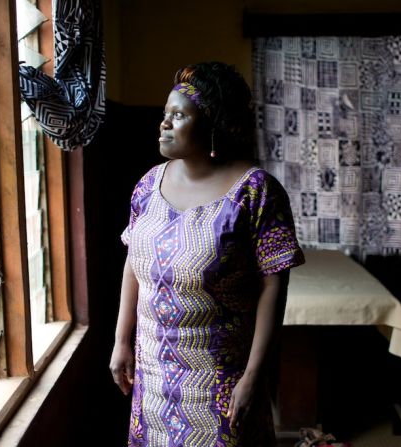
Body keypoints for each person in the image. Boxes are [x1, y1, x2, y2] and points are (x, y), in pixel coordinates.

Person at [110, 61, 305, 446]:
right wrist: (121, 340)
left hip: (219, 381)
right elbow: (134, 262)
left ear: (213, 124)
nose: (164, 123)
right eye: (165, 114)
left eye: (179, 115)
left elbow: (273, 289)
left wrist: (253, 376)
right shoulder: (148, 185)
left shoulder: (255, 193)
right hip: (152, 377)